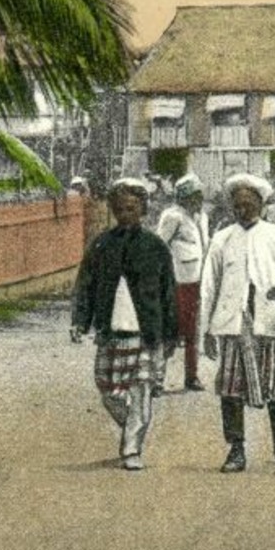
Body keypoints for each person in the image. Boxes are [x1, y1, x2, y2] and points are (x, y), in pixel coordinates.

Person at [199, 174, 275, 473]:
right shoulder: (222, 239)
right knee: (230, 386)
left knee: (274, 382)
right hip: (233, 323)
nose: (243, 211)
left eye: (249, 205)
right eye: (238, 206)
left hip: (269, 321)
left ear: (261, 205)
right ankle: (236, 449)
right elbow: (209, 285)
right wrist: (207, 329)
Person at [73, 178, 178, 470]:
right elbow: (86, 285)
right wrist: (80, 322)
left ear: (143, 209)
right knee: (108, 389)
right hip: (111, 329)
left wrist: (171, 334)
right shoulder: (102, 244)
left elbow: (168, 291)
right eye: (119, 209)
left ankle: (132, 448)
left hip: (146, 331)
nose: (125, 214)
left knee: (141, 388)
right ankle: (132, 421)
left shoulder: (156, 247)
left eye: (131, 208)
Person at [155, 173, 210, 392]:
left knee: (193, 332)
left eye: (200, 196)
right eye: (195, 196)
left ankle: (192, 376)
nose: (199, 201)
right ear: (184, 197)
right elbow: (159, 246)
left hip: (197, 281)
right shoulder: (173, 216)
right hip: (176, 281)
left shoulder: (202, 218)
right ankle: (157, 379)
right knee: (169, 331)